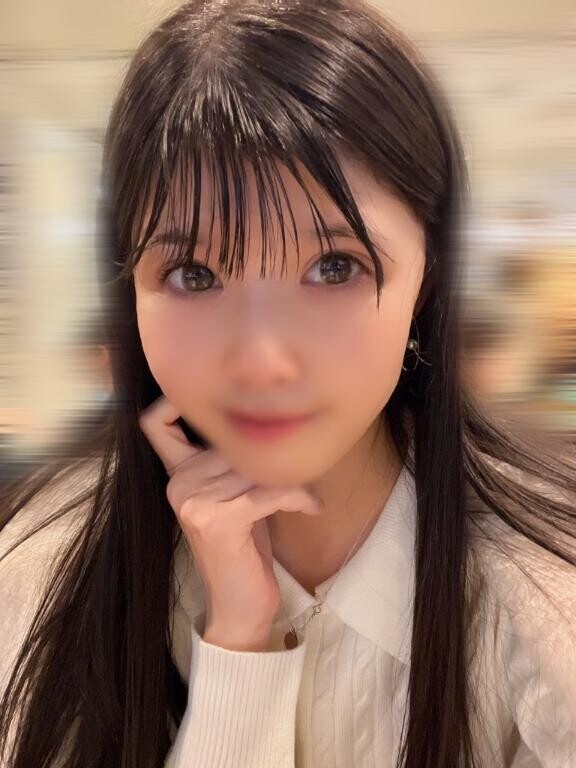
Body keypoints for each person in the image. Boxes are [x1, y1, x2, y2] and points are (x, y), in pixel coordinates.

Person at [1, 1, 575, 766]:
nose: (262, 361)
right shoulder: (44, 582)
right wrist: (239, 639)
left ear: (428, 278)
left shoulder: (543, 616)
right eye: (193, 273)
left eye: (335, 267)